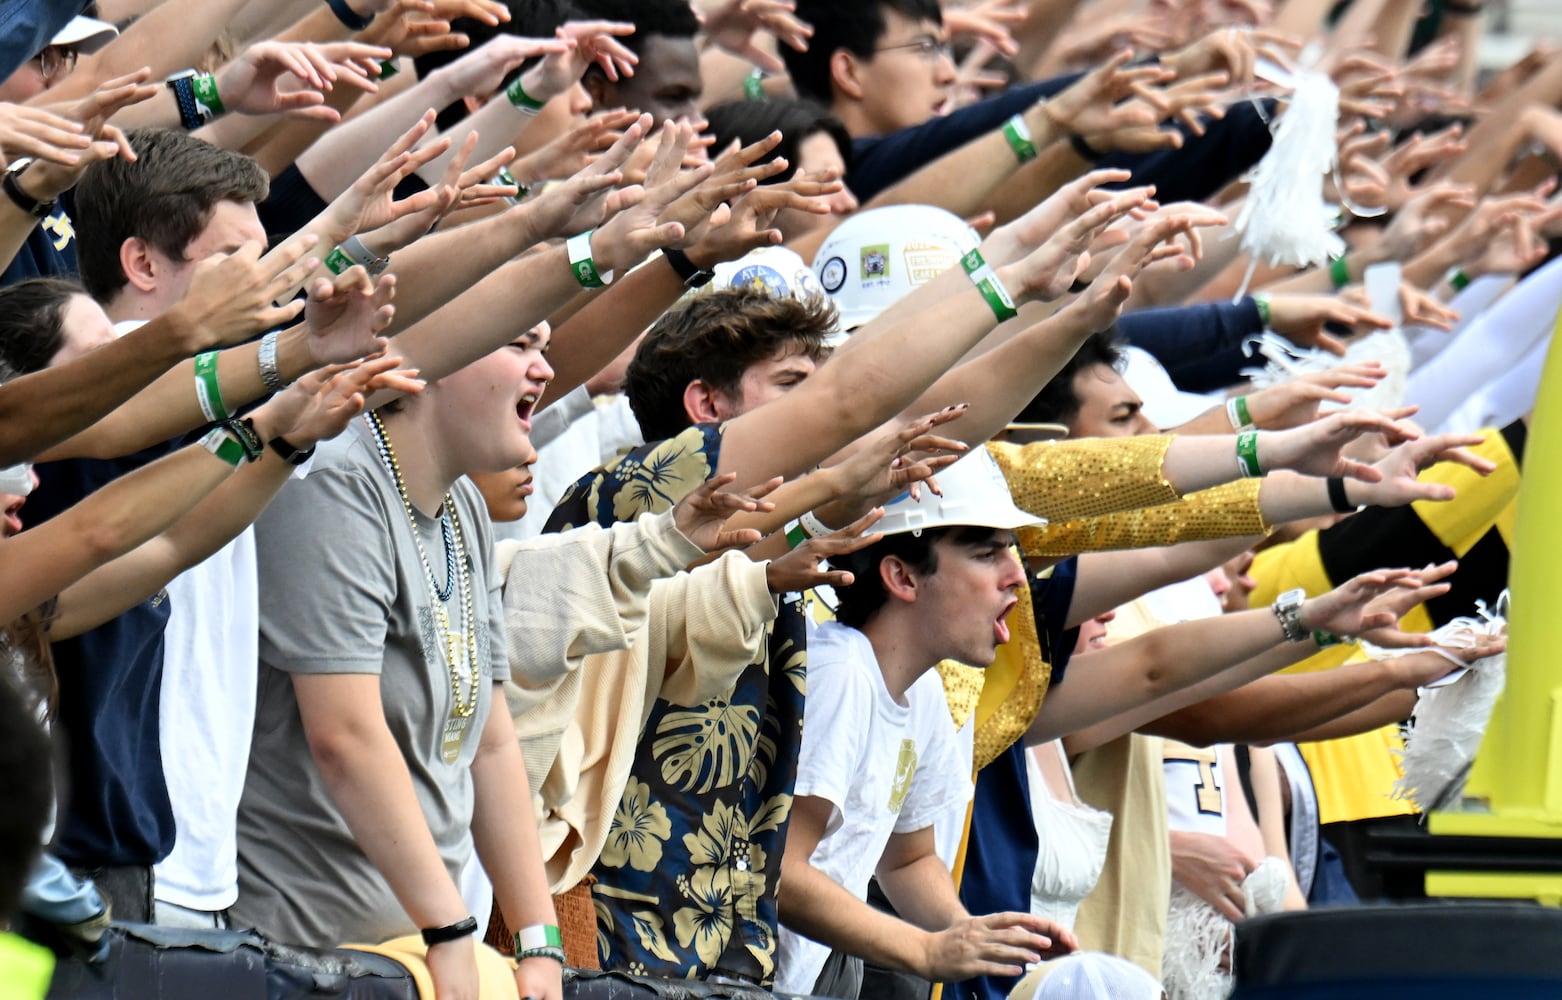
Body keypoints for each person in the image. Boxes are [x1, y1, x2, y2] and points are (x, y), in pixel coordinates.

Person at [236, 330, 563, 1000]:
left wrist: (538, 942)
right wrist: (448, 932)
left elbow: (493, 743)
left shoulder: (464, 505)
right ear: (428, 353)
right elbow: (344, 738)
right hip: (305, 966)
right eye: (519, 341)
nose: (545, 368)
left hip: (418, 961)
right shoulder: (334, 483)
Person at [776, 448, 1078, 998]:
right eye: (988, 554)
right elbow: (780, 873)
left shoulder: (926, 693)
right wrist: (926, 950)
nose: (1018, 578)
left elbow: (908, 859)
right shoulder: (841, 672)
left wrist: (972, 933)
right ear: (902, 578)